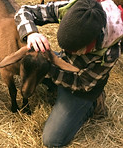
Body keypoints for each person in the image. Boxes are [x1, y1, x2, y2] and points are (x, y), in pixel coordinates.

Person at [14, 0, 123, 147]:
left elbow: (82, 83)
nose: (71, 52)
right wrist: (31, 33)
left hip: (83, 83)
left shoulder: (111, 51)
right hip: (62, 63)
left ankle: (94, 103)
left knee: (52, 140)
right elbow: (24, 11)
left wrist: (49, 69)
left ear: (92, 44)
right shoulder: (74, 9)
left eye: (76, 51)